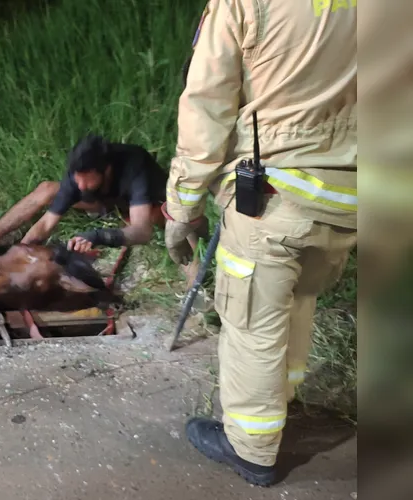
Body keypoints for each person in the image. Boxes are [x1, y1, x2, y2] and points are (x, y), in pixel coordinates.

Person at [163, 0, 357, 487]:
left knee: (252, 321)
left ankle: (251, 447)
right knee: (299, 296)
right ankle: (284, 397)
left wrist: (182, 208)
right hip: (351, 195)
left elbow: (208, 106)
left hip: (271, 199)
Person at [0, 134, 205, 286]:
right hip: (106, 203)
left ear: (106, 170)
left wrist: (98, 236)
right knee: (47, 189)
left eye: (87, 181)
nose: (81, 187)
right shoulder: (78, 175)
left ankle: (198, 292)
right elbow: (45, 225)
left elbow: (142, 232)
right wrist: (19, 257)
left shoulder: (135, 166)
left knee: (176, 220)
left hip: (149, 207)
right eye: (78, 181)